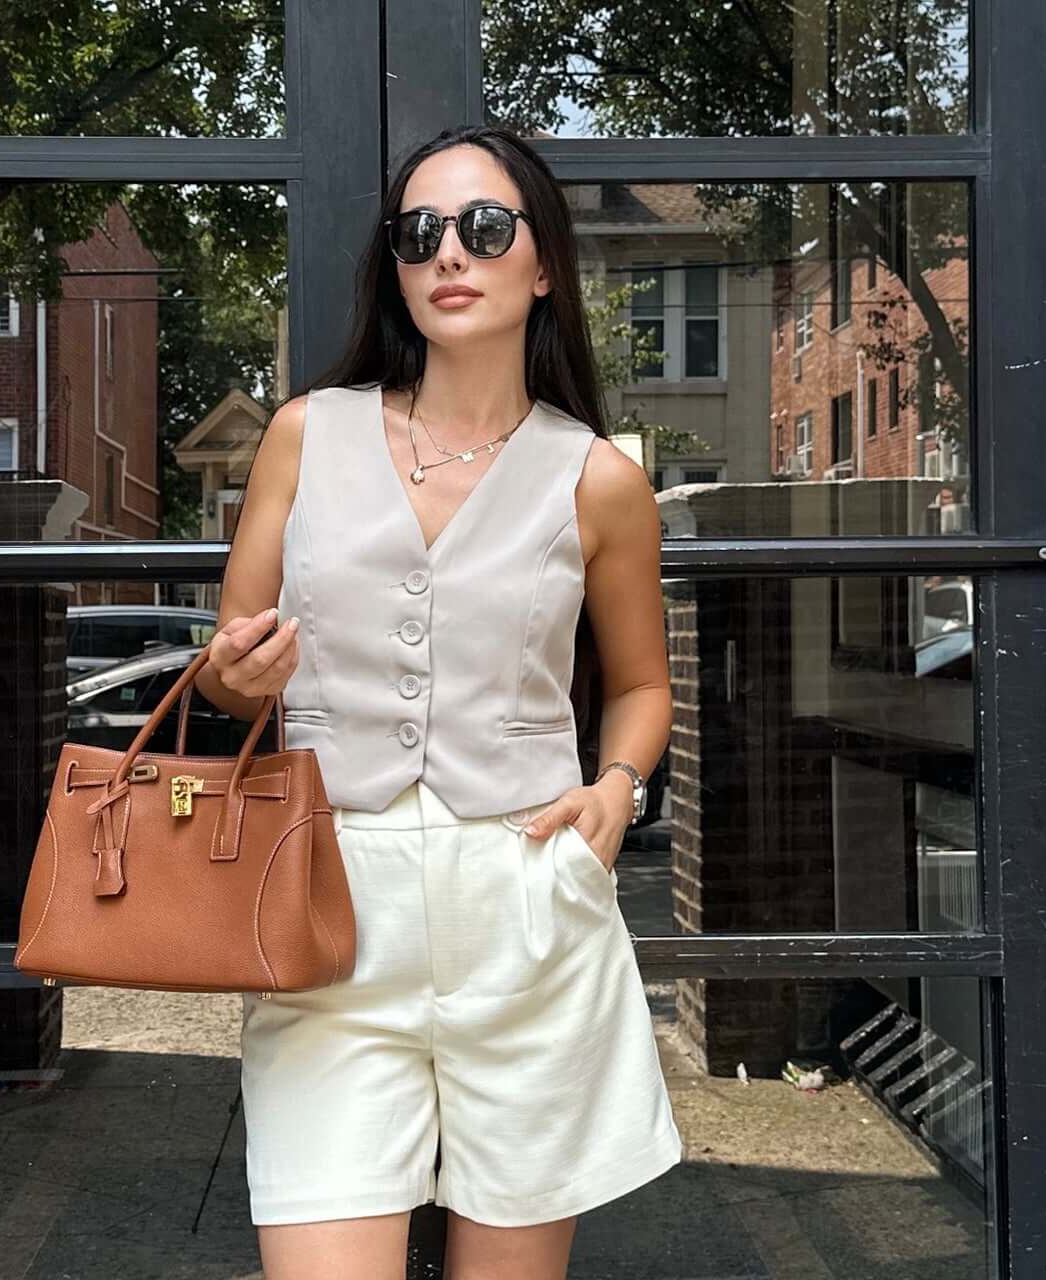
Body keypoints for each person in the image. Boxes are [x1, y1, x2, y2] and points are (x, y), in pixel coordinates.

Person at [195, 123, 684, 1279]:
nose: (448, 253)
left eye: (484, 227)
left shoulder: (600, 478)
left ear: (544, 262)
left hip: (524, 910)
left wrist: (618, 789)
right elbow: (223, 663)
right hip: (329, 912)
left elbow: (642, 684)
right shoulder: (304, 436)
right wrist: (237, 675)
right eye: (419, 233)